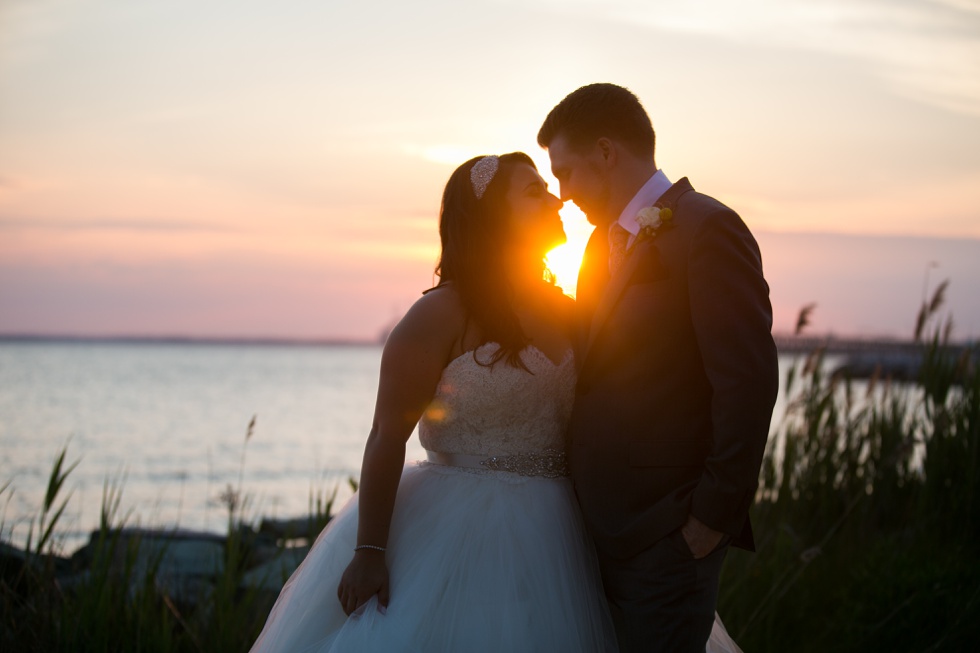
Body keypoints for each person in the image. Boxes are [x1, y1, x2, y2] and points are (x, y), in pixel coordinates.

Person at [249, 151, 743, 652]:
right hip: (454, 529)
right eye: (534, 192)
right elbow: (385, 436)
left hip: (566, 532)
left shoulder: (573, 312)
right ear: (492, 216)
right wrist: (370, 551)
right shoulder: (439, 314)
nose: (556, 199)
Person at [538, 83, 779, 652]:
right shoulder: (598, 246)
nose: (563, 195)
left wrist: (709, 521)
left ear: (605, 152)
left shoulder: (708, 230)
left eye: (567, 173)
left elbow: (747, 383)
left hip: (669, 537)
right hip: (597, 535)